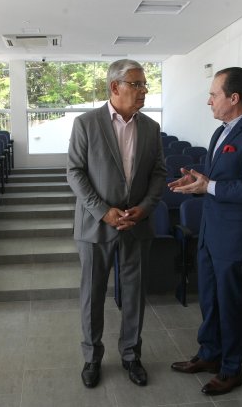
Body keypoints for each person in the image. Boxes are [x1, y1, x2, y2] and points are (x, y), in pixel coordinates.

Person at [168, 67, 242, 395]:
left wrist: (211, 185)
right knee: (210, 300)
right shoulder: (221, 132)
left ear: (234, 98)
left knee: (231, 304)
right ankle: (209, 354)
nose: (209, 101)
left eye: (214, 94)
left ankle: (232, 369)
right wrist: (199, 180)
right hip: (210, 232)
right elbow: (220, 179)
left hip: (236, 237)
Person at [66, 59, 167, 389]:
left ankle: (130, 355)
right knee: (92, 295)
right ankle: (92, 356)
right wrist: (102, 210)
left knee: (135, 295)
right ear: (115, 87)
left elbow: (158, 174)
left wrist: (144, 208)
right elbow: (75, 172)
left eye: (144, 85)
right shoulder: (86, 123)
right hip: (97, 227)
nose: (144, 91)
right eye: (136, 85)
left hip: (136, 226)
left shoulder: (151, 128)